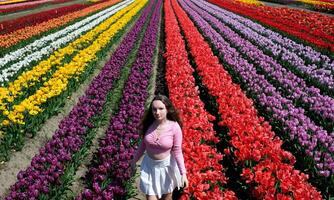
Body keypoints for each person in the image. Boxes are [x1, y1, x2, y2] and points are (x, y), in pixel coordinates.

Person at [130, 94, 189, 200]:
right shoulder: (148, 125)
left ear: (167, 109)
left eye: (161, 109)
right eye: (154, 109)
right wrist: (134, 161)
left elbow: (177, 151)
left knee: (167, 197)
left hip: (166, 168)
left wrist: (183, 173)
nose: (157, 112)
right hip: (149, 167)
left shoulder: (174, 127)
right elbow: (142, 146)